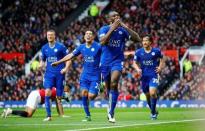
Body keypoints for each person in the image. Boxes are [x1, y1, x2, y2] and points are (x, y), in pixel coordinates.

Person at [98, 11, 141, 123]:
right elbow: (102, 42)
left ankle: (111, 112)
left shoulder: (123, 31)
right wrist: (113, 28)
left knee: (114, 83)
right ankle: (110, 105)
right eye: (114, 16)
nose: (117, 17)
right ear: (109, 19)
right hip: (105, 62)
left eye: (118, 15)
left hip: (117, 61)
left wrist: (125, 27)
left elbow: (137, 39)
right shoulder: (104, 29)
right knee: (108, 88)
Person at [52, 30, 101, 122]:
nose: (88, 35)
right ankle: (87, 115)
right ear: (84, 36)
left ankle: (100, 87)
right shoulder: (81, 47)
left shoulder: (98, 46)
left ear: (93, 37)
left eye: (90, 34)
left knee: (91, 96)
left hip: (96, 75)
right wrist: (58, 62)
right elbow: (70, 55)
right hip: (85, 75)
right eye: (86, 34)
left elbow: (106, 54)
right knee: (84, 93)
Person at [39, 29, 71, 121]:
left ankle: (62, 111)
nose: (49, 36)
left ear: (54, 36)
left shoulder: (61, 47)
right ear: (46, 36)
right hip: (49, 74)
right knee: (47, 92)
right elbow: (43, 59)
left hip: (60, 74)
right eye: (48, 35)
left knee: (59, 97)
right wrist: (41, 64)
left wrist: (65, 68)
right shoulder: (44, 48)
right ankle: (48, 116)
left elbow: (69, 58)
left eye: (51, 35)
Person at [133, 34, 164, 120]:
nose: (144, 42)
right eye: (143, 41)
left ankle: (153, 113)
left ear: (150, 42)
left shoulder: (156, 51)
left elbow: (162, 58)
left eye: (146, 40)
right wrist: (137, 69)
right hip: (144, 77)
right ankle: (154, 110)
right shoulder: (138, 52)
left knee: (152, 93)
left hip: (153, 75)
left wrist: (160, 67)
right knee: (147, 96)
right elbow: (134, 63)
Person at [1, 87, 71, 118]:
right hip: (37, 96)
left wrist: (60, 114)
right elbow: (59, 103)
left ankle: (9, 111)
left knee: (26, 113)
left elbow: (57, 103)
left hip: (34, 93)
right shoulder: (58, 91)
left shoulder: (56, 89)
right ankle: (10, 111)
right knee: (28, 114)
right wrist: (62, 115)